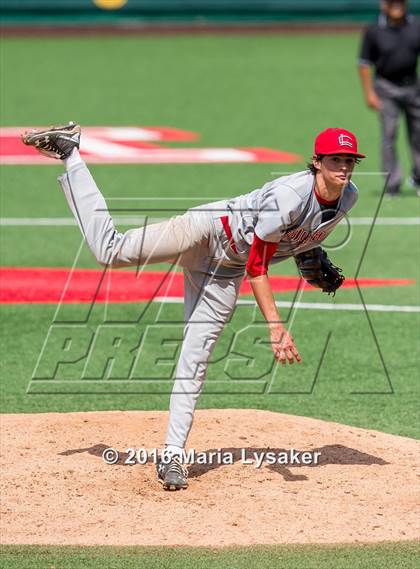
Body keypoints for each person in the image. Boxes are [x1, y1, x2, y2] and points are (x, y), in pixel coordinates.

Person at [22, 122, 365, 490]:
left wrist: (308, 253)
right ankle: (71, 152)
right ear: (316, 161)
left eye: (349, 160)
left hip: (224, 272)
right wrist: (275, 326)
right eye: (335, 159)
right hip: (207, 231)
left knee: (196, 355)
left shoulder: (348, 197)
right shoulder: (289, 194)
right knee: (110, 250)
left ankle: (172, 457)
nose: (343, 167)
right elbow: (258, 266)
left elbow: (300, 233)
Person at [358, 0, 420, 197]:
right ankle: (392, 184)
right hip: (386, 87)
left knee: (418, 134)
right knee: (389, 135)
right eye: (392, 2)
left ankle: (418, 177)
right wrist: (369, 93)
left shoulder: (416, 25)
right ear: (383, 5)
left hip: (413, 86)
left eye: (400, 1)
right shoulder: (374, 29)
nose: (397, 5)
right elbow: (364, 63)